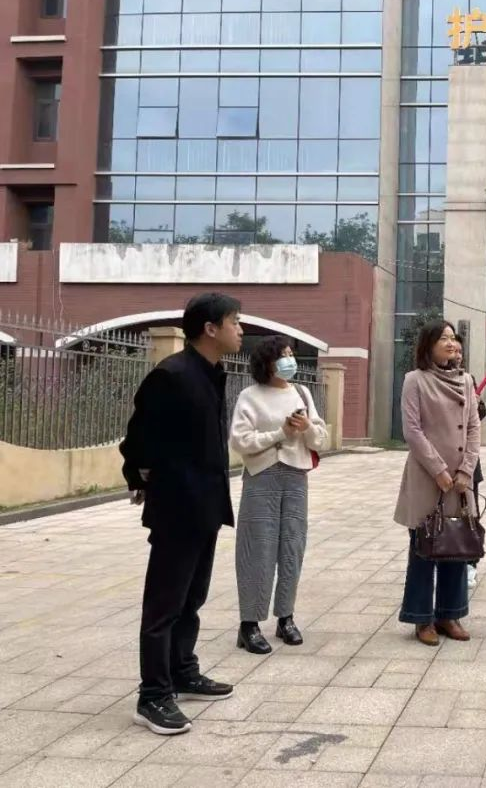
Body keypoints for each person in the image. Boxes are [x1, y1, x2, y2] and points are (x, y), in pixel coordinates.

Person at [120, 293, 243, 736]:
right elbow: (138, 438)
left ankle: (182, 671)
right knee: (164, 605)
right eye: (234, 321)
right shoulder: (171, 375)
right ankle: (153, 695)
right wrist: (141, 475)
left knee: (192, 598)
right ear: (210, 328)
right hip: (177, 506)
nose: (240, 330)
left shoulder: (211, 373)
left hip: (206, 504)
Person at [230, 336, 328, 654]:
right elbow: (240, 441)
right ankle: (249, 624)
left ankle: (286, 617)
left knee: (292, 547)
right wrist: (280, 433)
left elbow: (321, 439)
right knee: (257, 549)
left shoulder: (302, 392)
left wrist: (307, 427)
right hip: (262, 476)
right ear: (267, 362)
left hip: (296, 477)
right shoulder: (250, 396)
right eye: (282, 355)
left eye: (290, 354)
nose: (289, 360)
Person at [394, 321, 481, 646]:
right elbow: (412, 430)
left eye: (452, 337)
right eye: (443, 338)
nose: (450, 342)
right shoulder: (414, 380)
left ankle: (449, 614)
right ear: (428, 345)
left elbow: (473, 427)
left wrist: (466, 470)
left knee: (456, 546)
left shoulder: (466, 380)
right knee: (424, 547)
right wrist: (439, 470)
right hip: (427, 477)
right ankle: (421, 618)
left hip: (459, 480)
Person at [449, 337, 486, 590]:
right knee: (439, 516)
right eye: (453, 349)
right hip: (439, 462)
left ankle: (470, 564)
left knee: (469, 515)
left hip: (468, 463)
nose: (457, 354)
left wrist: (476, 402)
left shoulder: (467, 379)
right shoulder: (426, 381)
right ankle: (439, 556)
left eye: (460, 350)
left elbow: (477, 420)